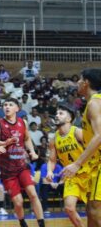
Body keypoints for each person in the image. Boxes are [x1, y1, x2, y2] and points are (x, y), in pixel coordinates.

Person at [0, 98, 45, 227]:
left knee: (33, 194)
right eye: (5, 105)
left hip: (22, 167)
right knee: (18, 202)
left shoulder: (23, 122)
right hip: (8, 171)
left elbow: (27, 139)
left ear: (17, 109)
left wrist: (32, 152)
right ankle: (22, 222)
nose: (7, 107)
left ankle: (41, 224)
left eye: (10, 105)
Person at [62, 68, 101, 227]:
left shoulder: (95, 103)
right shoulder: (92, 103)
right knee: (90, 208)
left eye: (79, 80)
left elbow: (99, 135)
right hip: (94, 163)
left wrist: (77, 163)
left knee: (94, 209)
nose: (77, 83)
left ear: (86, 83)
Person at [46, 104, 89, 226]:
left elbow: (93, 150)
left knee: (93, 211)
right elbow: (52, 160)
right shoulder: (54, 139)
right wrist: (50, 171)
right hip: (71, 177)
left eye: (61, 113)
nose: (57, 115)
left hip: (89, 173)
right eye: (57, 113)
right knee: (69, 208)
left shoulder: (77, 132)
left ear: (69, 119)